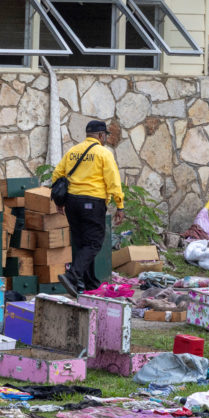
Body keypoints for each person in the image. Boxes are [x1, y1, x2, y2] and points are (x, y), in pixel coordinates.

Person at [52, 120, 124, 296]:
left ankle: (88, 284)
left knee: (81, 243)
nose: (105, 138)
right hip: (92, 202)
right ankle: (72, 275)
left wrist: (59, 202)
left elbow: (57, 175)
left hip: (71, 202)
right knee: (93, 243)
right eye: (105, 135)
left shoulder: (72, 151)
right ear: (100, 135)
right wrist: (120, 205)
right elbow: (113, 181)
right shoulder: (103, 153)